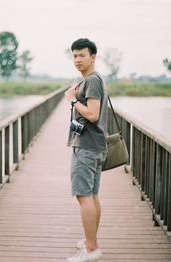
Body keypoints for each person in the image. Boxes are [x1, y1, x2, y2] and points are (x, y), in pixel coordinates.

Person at [64, 38, 108, 262]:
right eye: (74, 55)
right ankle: (92, 241)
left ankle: (91, 249)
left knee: (84, 196)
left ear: (93, 57)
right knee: (92, 195)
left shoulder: (92, 80)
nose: (77, 59)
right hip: (95, 146)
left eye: (82, 55)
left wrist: (72, 100)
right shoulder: (94, 79)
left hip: (87, 147)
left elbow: (92, 114)